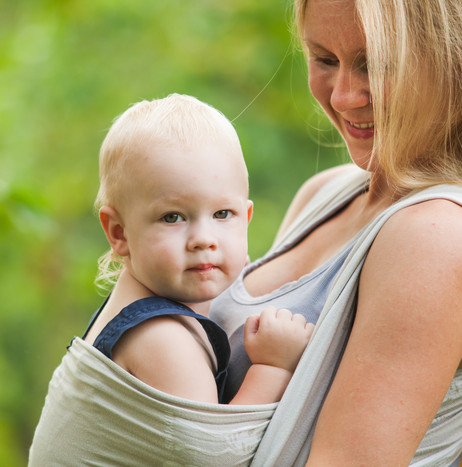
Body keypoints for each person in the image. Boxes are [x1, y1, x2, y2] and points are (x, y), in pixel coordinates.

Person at [209, 0, 462, 465]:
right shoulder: (327, 193)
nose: (342, 97)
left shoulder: (442, 238)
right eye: (324, 60)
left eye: (376, 65)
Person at [28, 94, 314, 465]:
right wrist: (274, 366)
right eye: (172, 218)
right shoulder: (161, 338)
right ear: (119, 233)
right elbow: (220, 458)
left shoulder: (136, 303)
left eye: (223, 214)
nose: (203, 239)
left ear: (247, 218)